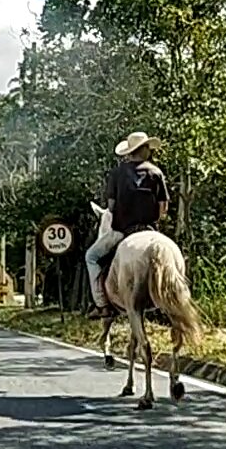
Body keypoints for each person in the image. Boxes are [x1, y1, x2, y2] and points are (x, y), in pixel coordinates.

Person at [85, 131, 170, 319]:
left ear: (131, 151)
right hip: (150, 229)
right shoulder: (156, 172)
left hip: (123, 231)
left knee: (91, 256)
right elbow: (163, 207)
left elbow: (111, 206)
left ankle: (102, 304)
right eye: (148, 147)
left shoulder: (117, 173)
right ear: (144, 150)